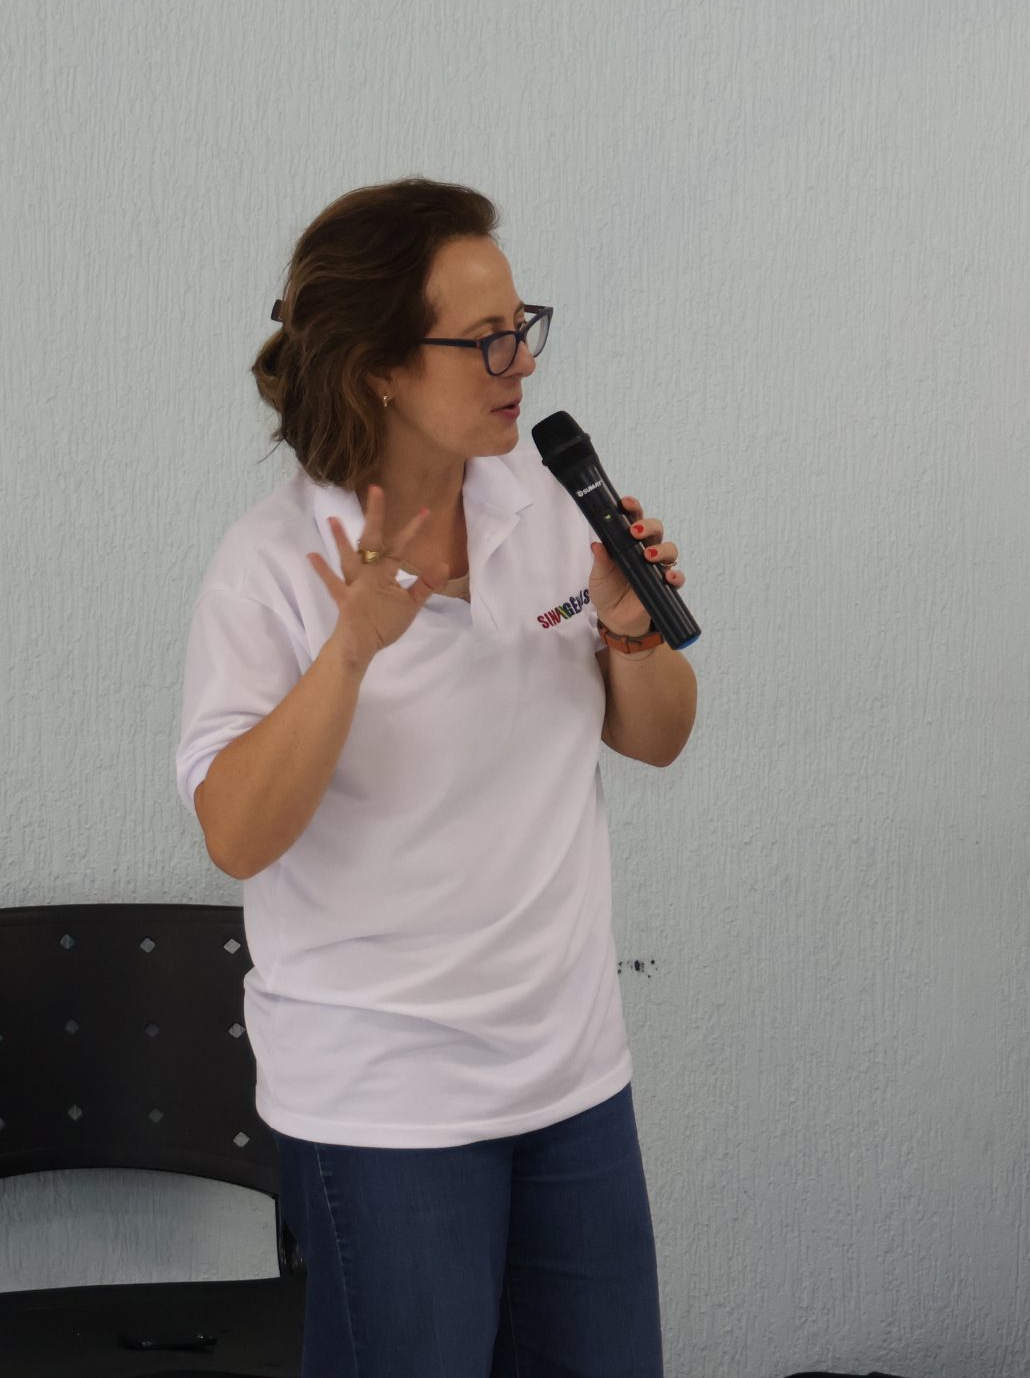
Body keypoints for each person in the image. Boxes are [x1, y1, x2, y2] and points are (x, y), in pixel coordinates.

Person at [177, 179, 698, 1378]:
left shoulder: (549, 509)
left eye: (523, 326)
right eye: (485, 341)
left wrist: (630, 632)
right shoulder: (271, 567)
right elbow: (237, 835)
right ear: (378, 370)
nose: (522, 362)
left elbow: (660, 740)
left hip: (571, 1077)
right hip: (385, 1106)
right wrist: (350, 650)